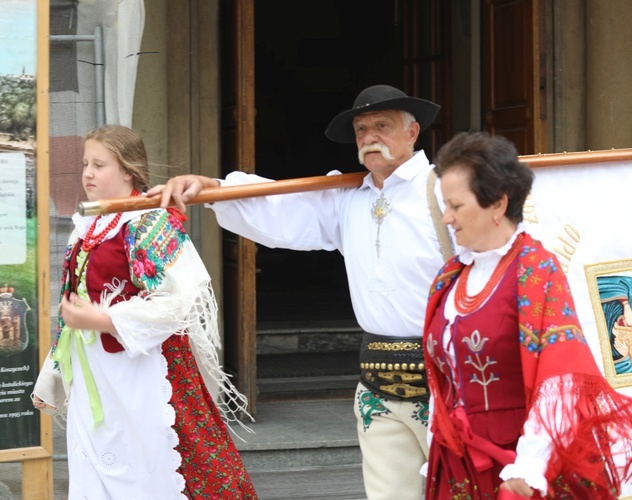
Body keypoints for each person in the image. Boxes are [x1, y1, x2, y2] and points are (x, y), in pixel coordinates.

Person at [148, 84, 451, 499]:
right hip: (377, 382)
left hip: (447, 378)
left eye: (382, 125)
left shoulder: (446, 190)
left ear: (413, 132)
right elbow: (283, 208)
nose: (369, 137)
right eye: (362, 129)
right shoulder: (349, 196)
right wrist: (211, 186)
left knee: (460, 489)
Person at [422, 132, 632, 499]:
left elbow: (561, 378)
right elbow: (444, 383)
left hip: (519, 464)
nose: (446, 217)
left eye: (455, 205)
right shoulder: (450, 277)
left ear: (497, 204)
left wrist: (530, 466)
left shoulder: (535, 270)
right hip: (458, 463)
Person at [31, 125, 257, 499]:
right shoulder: (86, 225)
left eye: (99, 164)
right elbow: (71, 312)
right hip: (95, 373)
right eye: (86, 163)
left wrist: (105, 320)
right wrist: (52, 374)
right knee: (97, 463)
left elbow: (177, 301)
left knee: (152, 463)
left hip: (145, 366)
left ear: (128, 171)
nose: (87, 172)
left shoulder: (150, 220)